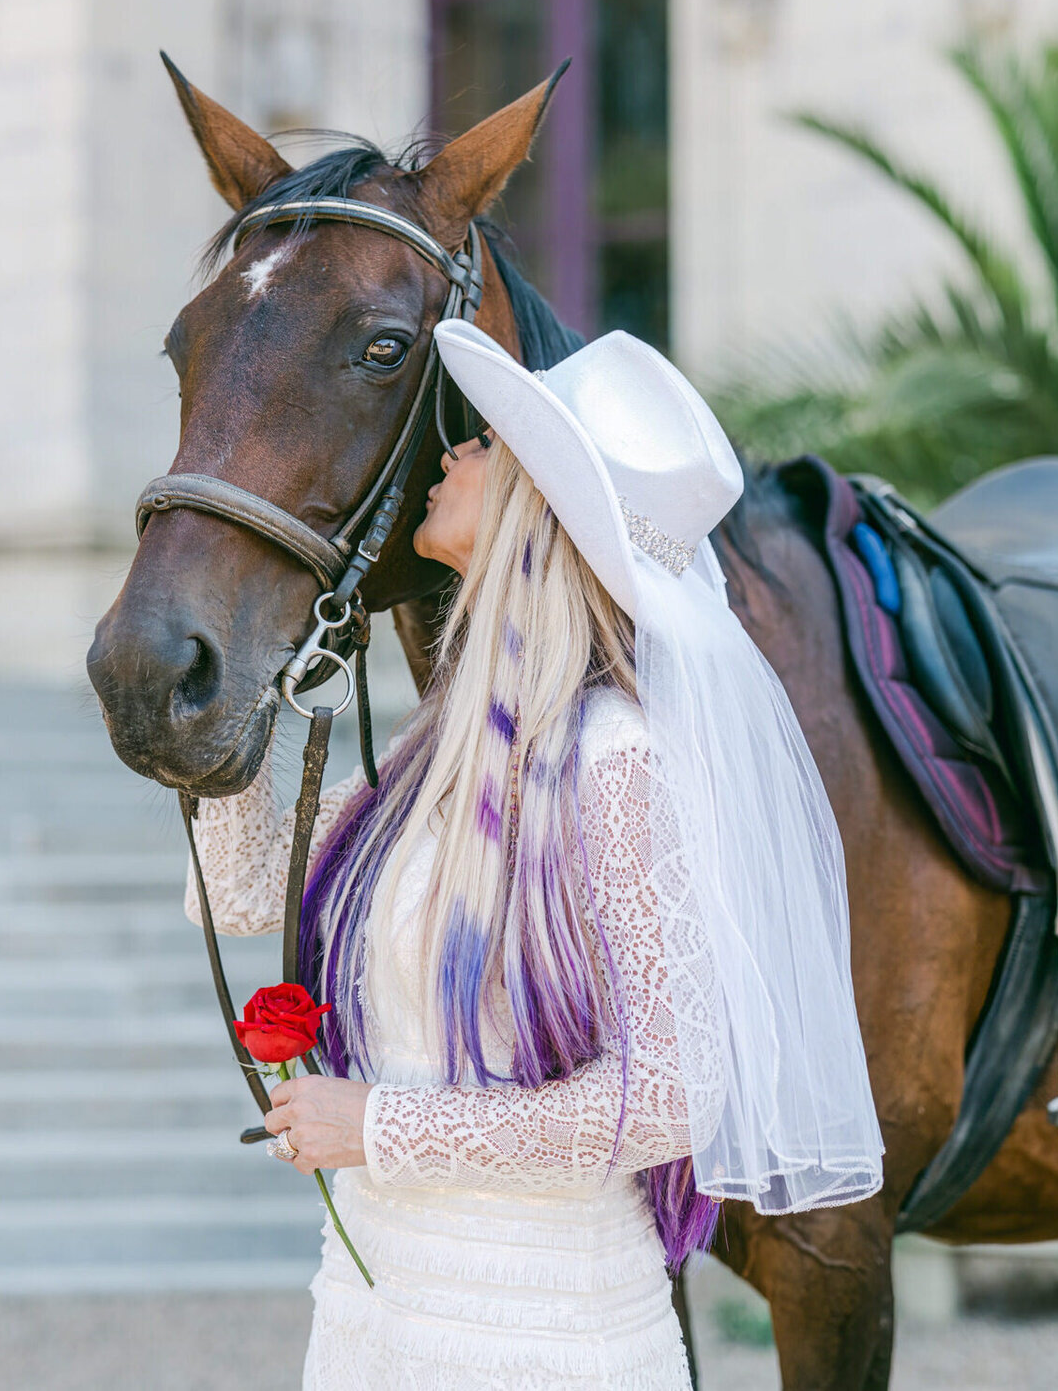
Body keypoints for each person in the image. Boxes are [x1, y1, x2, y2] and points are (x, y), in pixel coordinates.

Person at [185, 324, 884, 1389]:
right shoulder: (435, 754)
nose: (451, 454)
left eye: (486, 443)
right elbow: (238, 893)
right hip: (377, 1314)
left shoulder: (615, 759)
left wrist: (383, 1125)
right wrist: (218, 684)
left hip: (542, 1331)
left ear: (536, 509)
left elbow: (670, 1099)